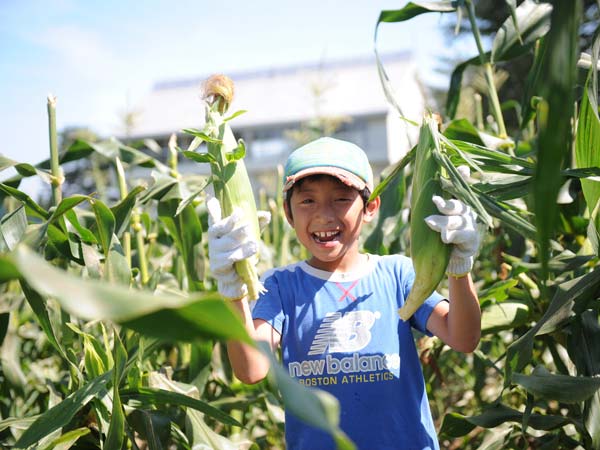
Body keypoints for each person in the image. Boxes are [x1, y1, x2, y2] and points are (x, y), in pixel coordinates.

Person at [206, 137, 481, 450]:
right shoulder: (280, 287)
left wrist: (459, 268)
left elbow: (464, 338)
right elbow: (251, 369)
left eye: (341, 199)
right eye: (307, 201)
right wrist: (234, 292)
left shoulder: (398, 275)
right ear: (288, 212)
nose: (324, 215)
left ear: (370, 207)